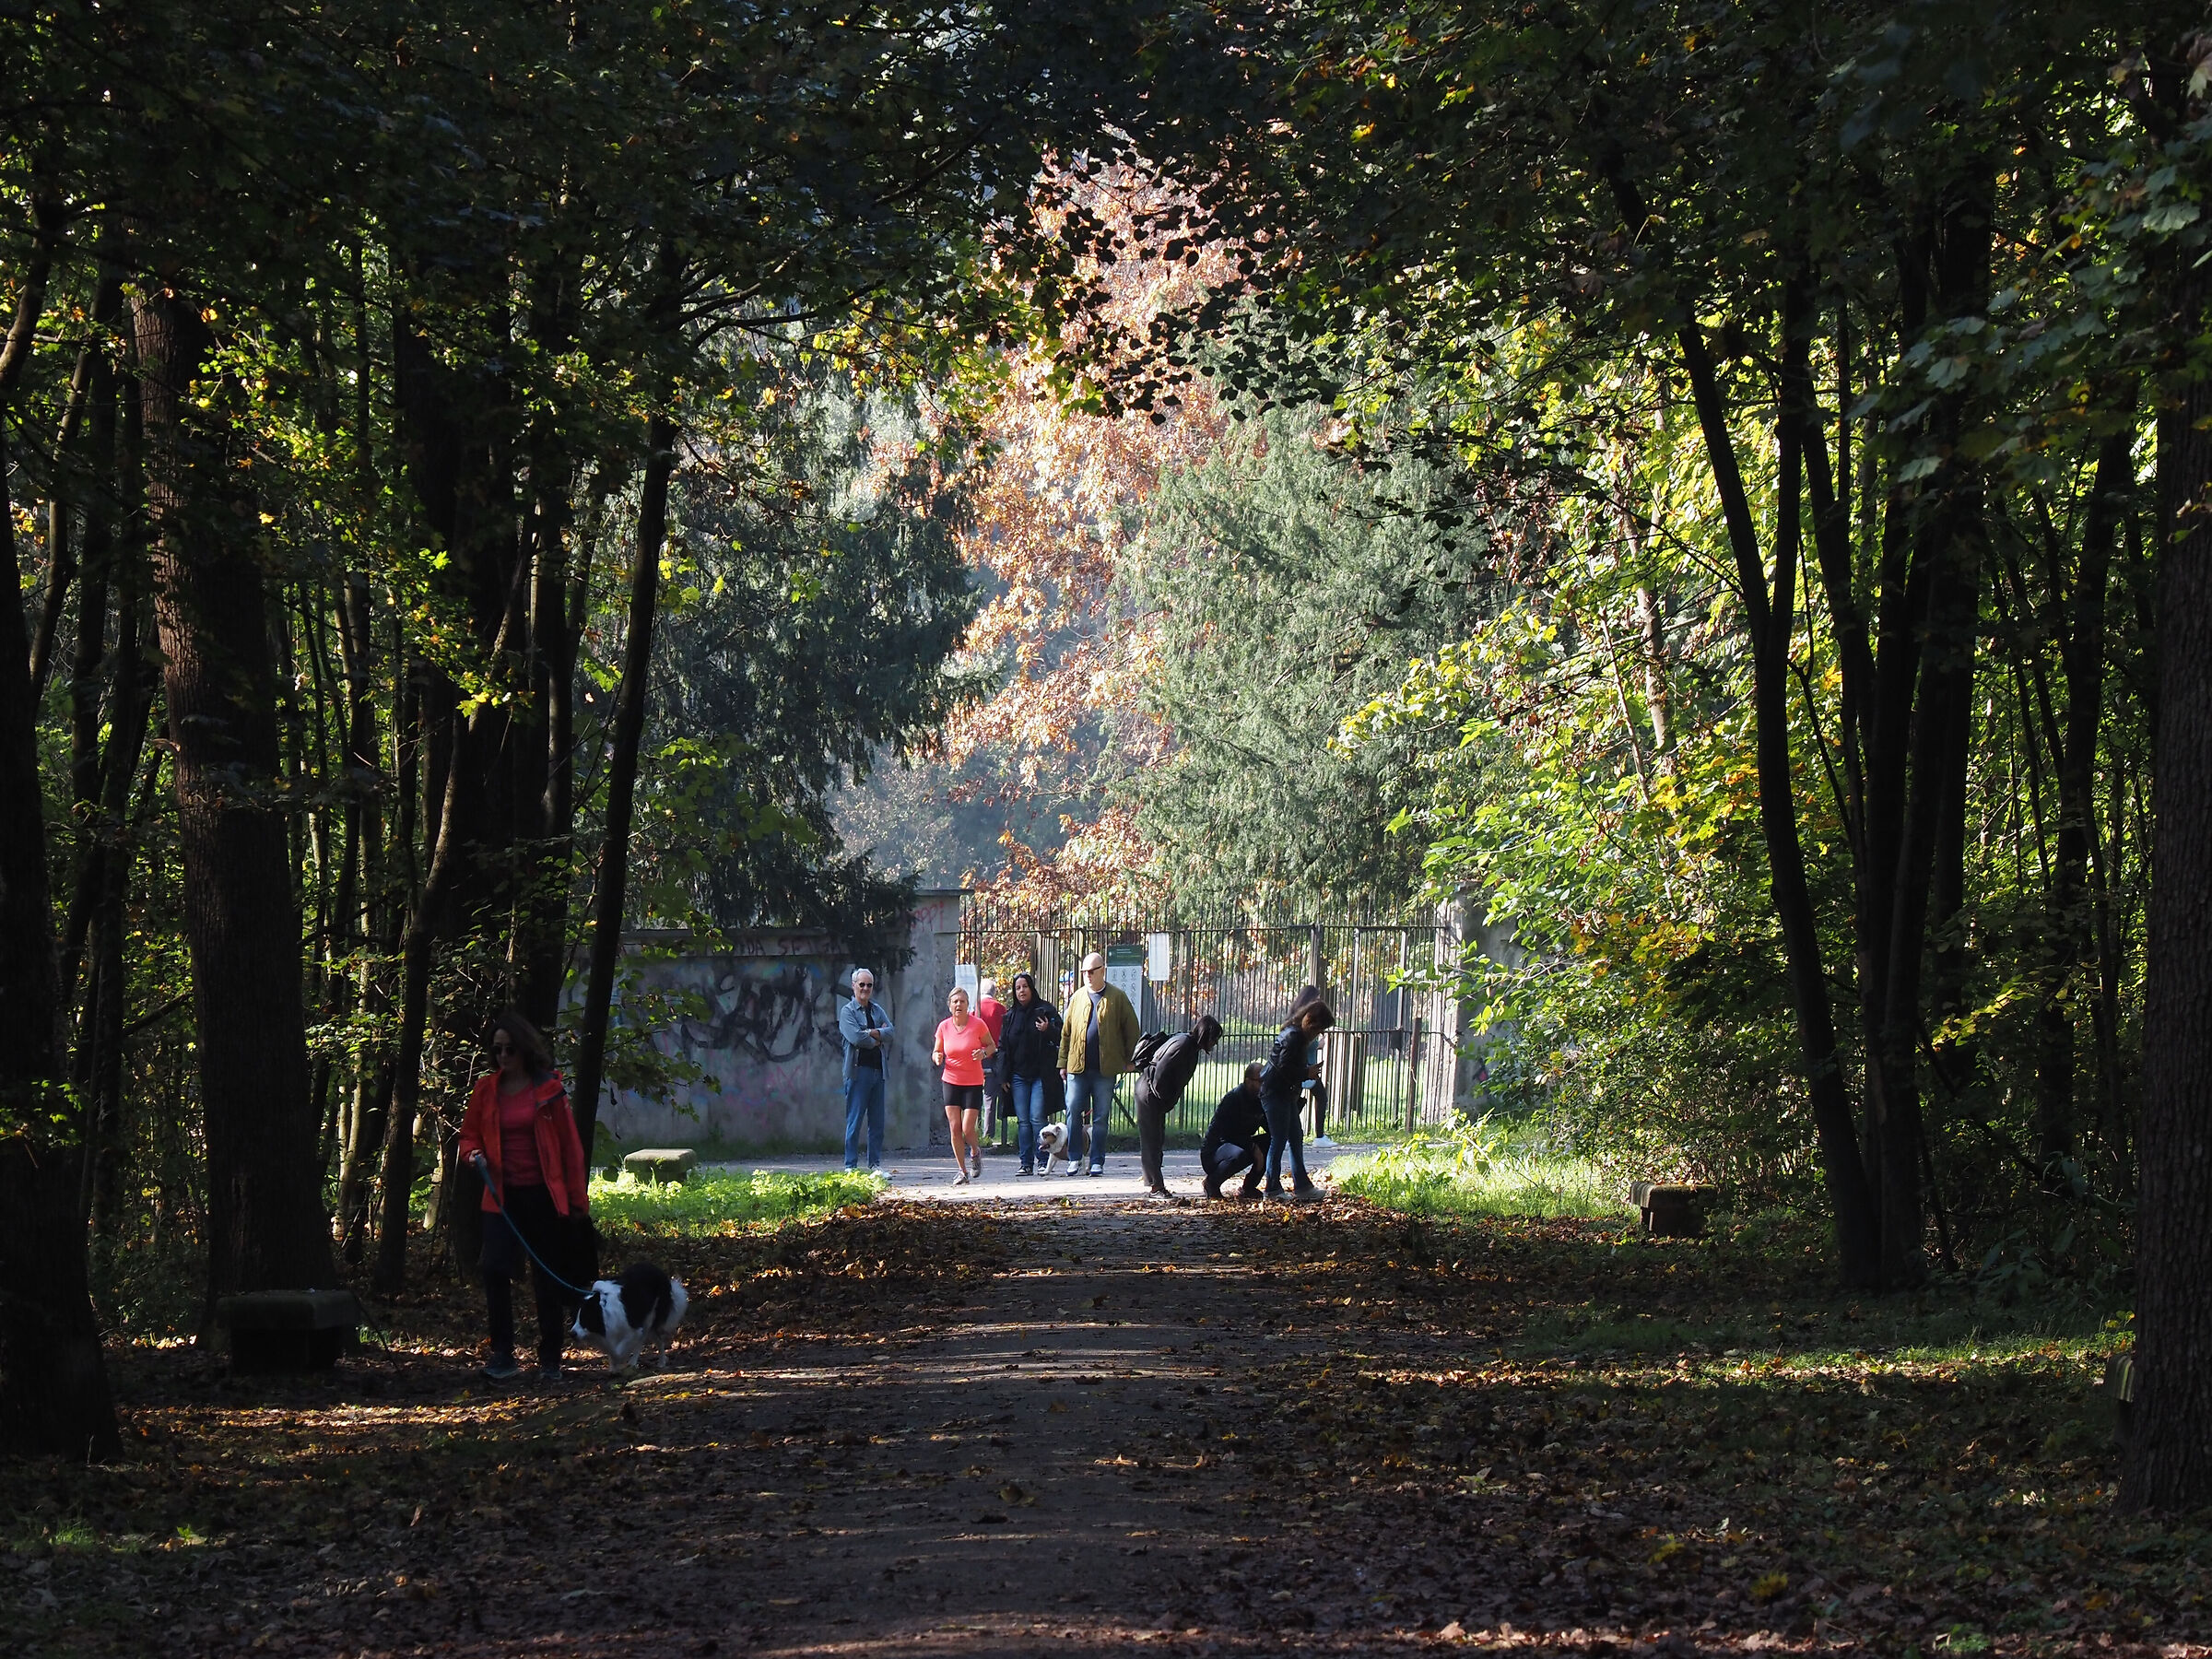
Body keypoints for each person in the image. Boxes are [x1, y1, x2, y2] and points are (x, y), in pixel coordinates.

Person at [455, 1010, 591, 1383]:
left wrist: (577, 1202)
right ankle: (503, 1353)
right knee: (494, 1270)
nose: (503, 1057)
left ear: (525, 1049)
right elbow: (468, 1136)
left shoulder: (549, 1089)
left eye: (510, 1049)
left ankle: (550, 1358)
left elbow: (571, 1150)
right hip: (499, 1198)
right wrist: (473, 1154)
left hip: (543, 1197)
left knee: (546, 1278)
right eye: (497, 1050)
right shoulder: (485, 1090)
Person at [1057, 950, 1141, 1176]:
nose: (1087, 975)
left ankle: (1097, 1161)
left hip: (1105, 1070)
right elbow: (1066, 1033)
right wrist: (1063, 1063)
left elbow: (1132, 1030)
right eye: (1084, 971)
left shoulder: (1117, 997)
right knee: (1073, 1110)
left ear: (1103, 970)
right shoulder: (1077, 997)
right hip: (1077, 1067)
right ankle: (1074, 1158)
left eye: (1092, 971)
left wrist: (1129, 1060)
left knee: (1101, 1115)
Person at [1133, 1015, 1223, 1198]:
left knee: (1156, 1139)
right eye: (1214, 1039)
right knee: (1152, 1141)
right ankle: (1155, 1188)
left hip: (1152, 1093)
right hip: (1149, 1092)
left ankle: (1157, 1185)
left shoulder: (1189, 1046)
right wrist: (1162, 1099)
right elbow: (1161, 1072)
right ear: (1207, 1035)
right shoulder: (1184, 1045)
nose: (1214, 1044)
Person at [1259, 991, 1334, 1201]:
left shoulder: (1295, 1034)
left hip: (1284, 1092)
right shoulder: (1293, 1037)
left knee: (1295, 1137)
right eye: (1319, 1029)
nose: (1318, 1034)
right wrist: (1306, 1073)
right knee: (1279, 1138)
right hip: (1275, 1092)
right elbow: (1284, 1067)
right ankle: (1272, 1188)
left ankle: (1302, 1185)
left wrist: (1305, 1072)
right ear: (1310, 1021)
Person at [999, 971, 1063, 1176]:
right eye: (1017, 988)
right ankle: (1025, 1163)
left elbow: (1062, 1034)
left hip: (1040, 1075)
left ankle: (1043, 1160)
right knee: (1023, 1120)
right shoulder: (1010, 1016)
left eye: (1025, 986)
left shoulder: (1045, 1010)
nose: (1021, 991)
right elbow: (1003, 1048)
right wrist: (1003, 1076)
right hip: (1017, 1075)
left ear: (1031, 988)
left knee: (1037, 1117)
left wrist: (1048, 1029)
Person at [934, 986, 997, 1185]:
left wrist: (983, 1053)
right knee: (954, 1128)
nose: (959, 1004)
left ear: (967, 1004)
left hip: (973, 1081)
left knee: (968, 1128)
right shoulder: (944, 1027)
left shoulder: (978, 1025)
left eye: (962, 1001)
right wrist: (937, 1056)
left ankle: (976, 1152)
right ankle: (962, 1171)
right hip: (951, 1080)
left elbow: (992, 1046)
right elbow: (936, 1051)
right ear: (950, 1005)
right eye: (955, 1001)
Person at [837, 969, 895, 1171]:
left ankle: (874, 1165)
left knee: (877, 1122)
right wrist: (876, 1039)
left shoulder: (877, 1010)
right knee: (855, 1120)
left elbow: (891, 1032)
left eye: (869, 985)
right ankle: (850, 1165)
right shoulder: (847, 1012)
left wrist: (871, 1032)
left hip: (879, 1072)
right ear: (854, 986)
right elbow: (855, 1038)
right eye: (861, 984)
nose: (865, 989)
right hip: (857, 1071)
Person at [1201, 1063, 1269, 1201]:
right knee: (1240, 1154)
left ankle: (1248, 1187)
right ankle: (1211, 1183)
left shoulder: (1260, 1100)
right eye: (1260, 1081)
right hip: (1216, 1150)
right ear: (1248, 1081)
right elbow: (1226, 1134)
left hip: (1240, 1143)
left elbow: (1269, 1127)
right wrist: (1253, 1147)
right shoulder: (1233, 1098)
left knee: (1270, 1142)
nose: (1263, 1085)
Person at [976, 977, 1008, 1136]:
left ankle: (976, 1131)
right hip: (996, 1057)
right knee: (993, 1096)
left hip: (978, 1056)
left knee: (976, 1097)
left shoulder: (975, 1008)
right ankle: (992, 1134)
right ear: (994, 992)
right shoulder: (1000, 1008)